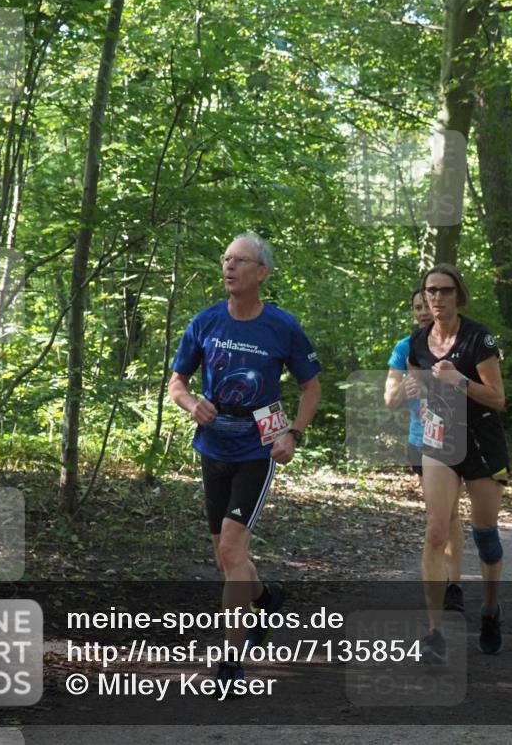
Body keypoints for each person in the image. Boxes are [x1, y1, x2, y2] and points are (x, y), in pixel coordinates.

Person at [168, 232, 321, 690]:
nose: (229, 267)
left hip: (260, 443)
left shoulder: (282, 326)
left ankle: (231, 662)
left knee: (233, 550)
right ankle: (264, 597)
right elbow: (177, 382)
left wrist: (293, 433)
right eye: (226, 259)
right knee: (225, 557)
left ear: (262, 272)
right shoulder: (206, 321)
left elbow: (310, 387)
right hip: (214, 444)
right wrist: (191, 404)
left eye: (240, 260)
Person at [407, 263, 509, 660]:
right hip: (440, 442)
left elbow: (497, 398)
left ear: (458, 295)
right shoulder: (417, 342)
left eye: (445, 290)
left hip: (482, 441)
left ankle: (490, 608)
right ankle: (435, 632)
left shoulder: (478, 338)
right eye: (430, 290)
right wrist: (415, 389)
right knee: (436, 531)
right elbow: (420, 391)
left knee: (486, 536)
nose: (436, 297)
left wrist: (460, 381)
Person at [384, 289, 465, 613]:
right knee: (438, 516)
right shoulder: (404, 348)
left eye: (426, 306)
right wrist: (407, 389)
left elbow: (474, 391)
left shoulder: (459, 345)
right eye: (417, 307)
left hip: (456, 439)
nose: (422, 312)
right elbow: (390, 401)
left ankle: (454, 585)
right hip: (421, 441)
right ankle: (441, 583)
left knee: (450, 513)